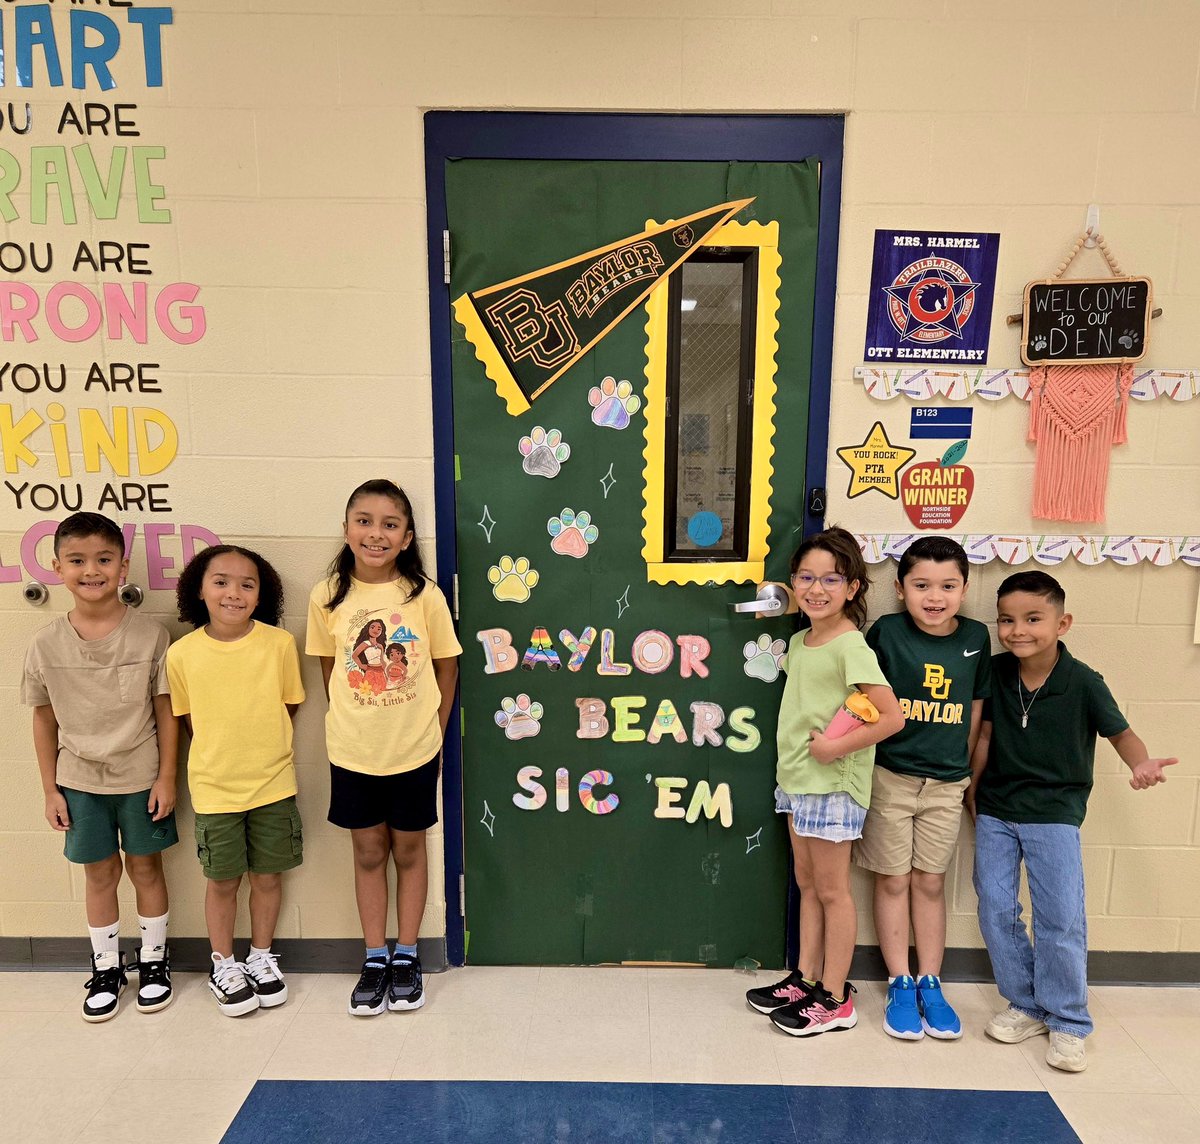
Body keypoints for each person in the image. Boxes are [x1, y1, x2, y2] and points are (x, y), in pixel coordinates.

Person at [968, 570, 1178, 1073]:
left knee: (1060, 918)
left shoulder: (1084, 681)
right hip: (996, 809)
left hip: (1055, 815)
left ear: (1062, 623)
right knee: (996, 909)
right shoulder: (995, 672)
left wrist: (1141, 764)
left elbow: (1121, 734)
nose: (1018, 630)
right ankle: (1027, 1004)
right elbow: (984, 737)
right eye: (1007, 620)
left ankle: (1067, 1021)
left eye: (1033, 619)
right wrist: (971, 792)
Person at [306, 479, 461, 1016]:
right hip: (351, 751)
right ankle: (375, 957)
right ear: (347, 529)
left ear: (407, 535)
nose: (376, 533)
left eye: (389, 524)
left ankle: (407, 955)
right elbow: (330, 671)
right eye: (365, 521)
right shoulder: (327, 595)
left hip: (414, 751)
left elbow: (447, 665)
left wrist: (435, 735)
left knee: (410, 850)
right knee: (368, 852)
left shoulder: (424, 595)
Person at [746, 526, 904, 1036]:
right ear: (793, 582)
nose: (817, 589)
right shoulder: (800, 639)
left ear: (853, 588)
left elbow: (891, 717)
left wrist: (833, 748)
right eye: (807, 577)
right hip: (797, 781)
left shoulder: (850, 645)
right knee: (808, 884)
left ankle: (836, 997)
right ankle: (808, 978)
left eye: (832, 579)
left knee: (834, 891)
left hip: (833, 785)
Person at [22, 512, 178, 1022]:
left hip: (141, 776)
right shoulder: (45, 644)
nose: (92, 570)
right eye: (77, 560)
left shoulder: (152, 636)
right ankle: (107, 967)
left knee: (145, 868)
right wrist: (50, 790)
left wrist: (167, 776)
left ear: (123, 565)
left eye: (104, 559)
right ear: (57, 567)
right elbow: (43, 721)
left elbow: (166, 711)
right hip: (78, 781)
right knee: (100, 873)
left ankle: (154, 963)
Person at [854, 536, 991, 1041]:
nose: (935, 597)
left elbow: (976, 712)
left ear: (964, 588)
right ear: (900, 588)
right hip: (890, 778)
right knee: (891, 879)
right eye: (922, 585)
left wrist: (967, 775)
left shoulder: (977, 637)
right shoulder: (886, 633)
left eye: (948, 586)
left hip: (947, 784)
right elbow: (862, 702)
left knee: (930, 881)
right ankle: (900, 981)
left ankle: (932, 981)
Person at [167, 545, 305, 1017]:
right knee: (222, 881)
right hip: (214, 789)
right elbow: (187, 720)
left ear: (261, 594)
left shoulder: (279, 645)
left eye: (248, 584)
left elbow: (289, 705)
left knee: (267, 876)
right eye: (221, 582)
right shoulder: (181, 654)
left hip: (273, 784)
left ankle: (261, 957)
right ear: (198, 590)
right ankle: (223, 965)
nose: (234, 593)